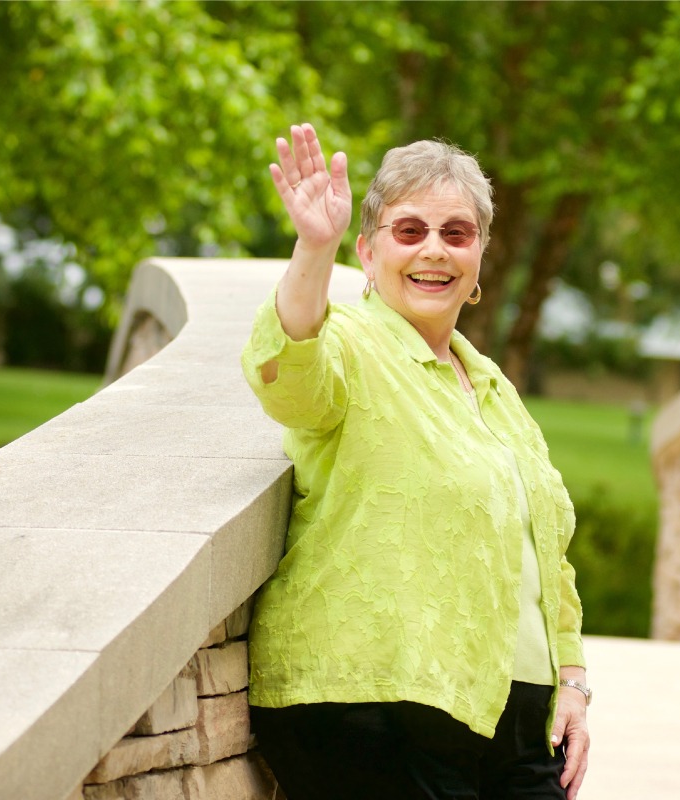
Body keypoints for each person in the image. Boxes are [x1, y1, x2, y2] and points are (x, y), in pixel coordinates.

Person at [241, 123, 591, 800]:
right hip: (376, 706)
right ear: (368, 254)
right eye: (410, 232)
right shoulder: (348, 344)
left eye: (456, 233)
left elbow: (548, 552)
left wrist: (571, 681)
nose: (434, 249)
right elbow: (289, 379)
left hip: (515, 718)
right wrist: (315, 248)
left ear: (480, 256)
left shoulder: (491, 387)